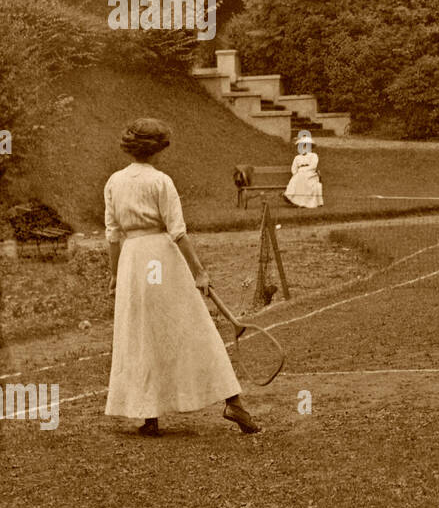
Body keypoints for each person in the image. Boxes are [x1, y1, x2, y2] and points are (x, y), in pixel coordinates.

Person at [104, 118, 259, 436]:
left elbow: (112, 235)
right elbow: (177, 232)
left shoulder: (114, 182)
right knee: (193, 327)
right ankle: (233, 402)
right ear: (158, 148)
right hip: (158, 260)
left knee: (142, 334)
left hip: (133, 262)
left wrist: (115, 274)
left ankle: (150, 417)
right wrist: (200, 272)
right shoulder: (161, 181)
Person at [283, 136, 323, 208]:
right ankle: (290, 197)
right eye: (302, 146)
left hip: (311, 174)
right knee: (296, 178)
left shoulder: (314, 156)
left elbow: (313, 166)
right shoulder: (297, 157)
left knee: (303, 178)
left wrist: (304, 171)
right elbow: (294, 168)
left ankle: (302, 202)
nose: (304, 148)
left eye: (307, 146)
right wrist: (296, 173)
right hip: (300, 173)